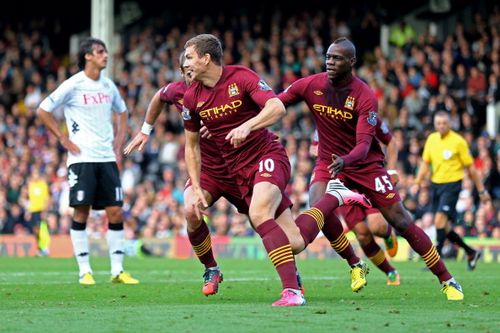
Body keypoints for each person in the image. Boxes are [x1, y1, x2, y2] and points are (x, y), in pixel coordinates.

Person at [181, 34, 370, 306]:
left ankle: (292, 291)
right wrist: (197, 188)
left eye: (189, 57)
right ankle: (333, 197)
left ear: (206, 58)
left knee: (259, 213)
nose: (185, 64)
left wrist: (248, 125)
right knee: (294, 242)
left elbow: (276, 106)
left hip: (266, 156)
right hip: (234, 171)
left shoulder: (242, 77)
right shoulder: (191, 97)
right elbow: (191, 147)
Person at [278, 37, 464, 300]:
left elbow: (365, 145)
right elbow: (277, 102)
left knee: (400, 221)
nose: (330, 62)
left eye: (337, 58)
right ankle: (356, 264)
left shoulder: (364, 95)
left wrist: (349, 161)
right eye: (328, 57)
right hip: (330, 163)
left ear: (352, 62)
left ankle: (447, 279)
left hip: (365, 166)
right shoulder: (311, 84)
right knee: (318, 209)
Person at [124, 53, 252, 296]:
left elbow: (259, 106)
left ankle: (290, 272)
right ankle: (211, 268)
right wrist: (145, 130)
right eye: (185, 70)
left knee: (262, 219)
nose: (189, 74)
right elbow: (159, 96)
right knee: (190, 209)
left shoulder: (226, 86)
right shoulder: (179, 91)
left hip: (241, 165)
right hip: (209, 170)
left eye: (191, 67)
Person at [37, 37, 139, 285]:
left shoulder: (108, 86)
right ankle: (85, 270)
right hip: (82, 159)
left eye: (105, 51)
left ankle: (117, 271)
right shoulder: (73, 85)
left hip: (106, 158)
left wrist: (120, 139)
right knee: (81, 212)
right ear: (88, 56)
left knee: (115, 211)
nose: (106, 55)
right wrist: (62, 138)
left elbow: (122, 111)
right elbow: (43, 109)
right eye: (100, 51)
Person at [311, 120, 402, 286]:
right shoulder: (324, 117)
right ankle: (390, 271)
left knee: (377, 226)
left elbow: (391, 141)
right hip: (342, 181)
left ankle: (388, 234)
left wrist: (392, 170)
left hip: (367, 175)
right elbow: (314, 147)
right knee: (362, 233)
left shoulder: (364, 113)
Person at [413, 111, 491, 270]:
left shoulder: (458, 141)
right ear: (435, 124)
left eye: (444, 123)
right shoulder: (431, 139)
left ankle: (435, 260)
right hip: (436, 185)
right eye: (438, 123)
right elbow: (424, 163)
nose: (441, 126)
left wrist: (481, 191)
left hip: (452, 185)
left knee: (439, 220)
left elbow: (471, 169)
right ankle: (471, 252)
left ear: (450, 124)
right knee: (444, 227)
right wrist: (417, 181)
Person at [27, 167, 51, 256]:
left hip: (41, 210)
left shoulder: (43, 185)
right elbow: (30, 199)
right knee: (35, 230)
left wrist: (45, 210)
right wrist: (28, 211)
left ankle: (45, 248)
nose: (35, 175)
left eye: (36, 173)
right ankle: (39, 248)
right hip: (33, 210)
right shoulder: (31, 185)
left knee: (42, 229)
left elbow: (47, 198)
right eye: (33, 174)